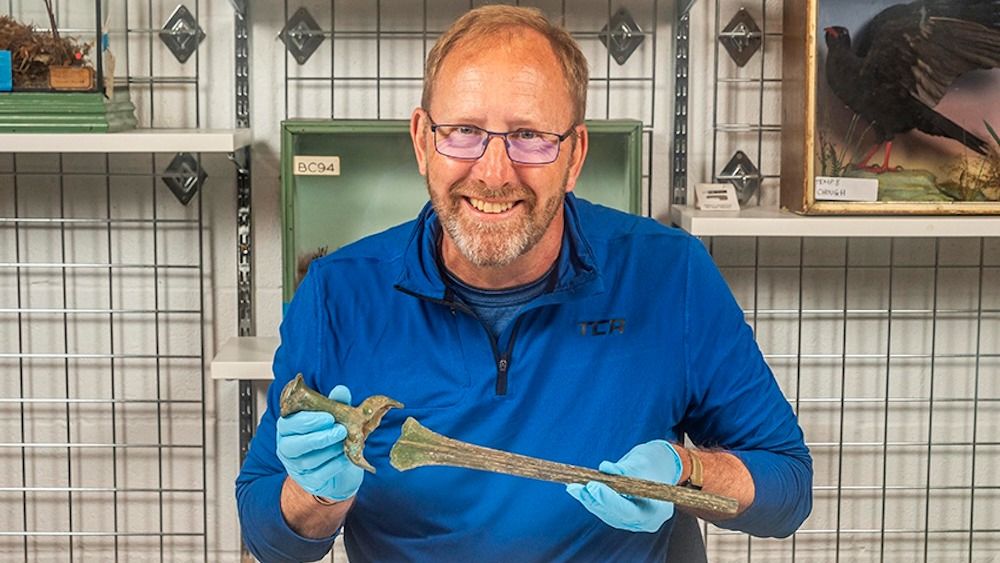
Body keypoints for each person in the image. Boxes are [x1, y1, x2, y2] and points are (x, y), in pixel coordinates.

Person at [236, 6, 812, 562]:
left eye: (530, 136)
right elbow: (270, 538)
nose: (493, 173)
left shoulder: (670, 276)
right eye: (462, 131)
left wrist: (687, 473)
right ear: (421, 141)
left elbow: (787, 488)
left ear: (575, 153)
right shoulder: (338, 294)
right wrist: (317, 494)